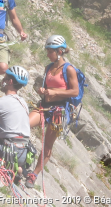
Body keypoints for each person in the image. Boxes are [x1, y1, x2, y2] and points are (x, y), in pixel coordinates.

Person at [25, 35, 79, 188]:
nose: (48, 54)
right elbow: (44, 87)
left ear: (60, 51)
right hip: (44, 105)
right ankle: (23, 154)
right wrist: (42, 90)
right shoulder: (48, 67)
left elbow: (74, 92)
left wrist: (56, 93)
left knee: (47, 145)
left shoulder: (69, 69)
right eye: (47, 51)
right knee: (24, 124)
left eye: (50, 51)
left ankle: (33, 174)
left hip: (58, 111)